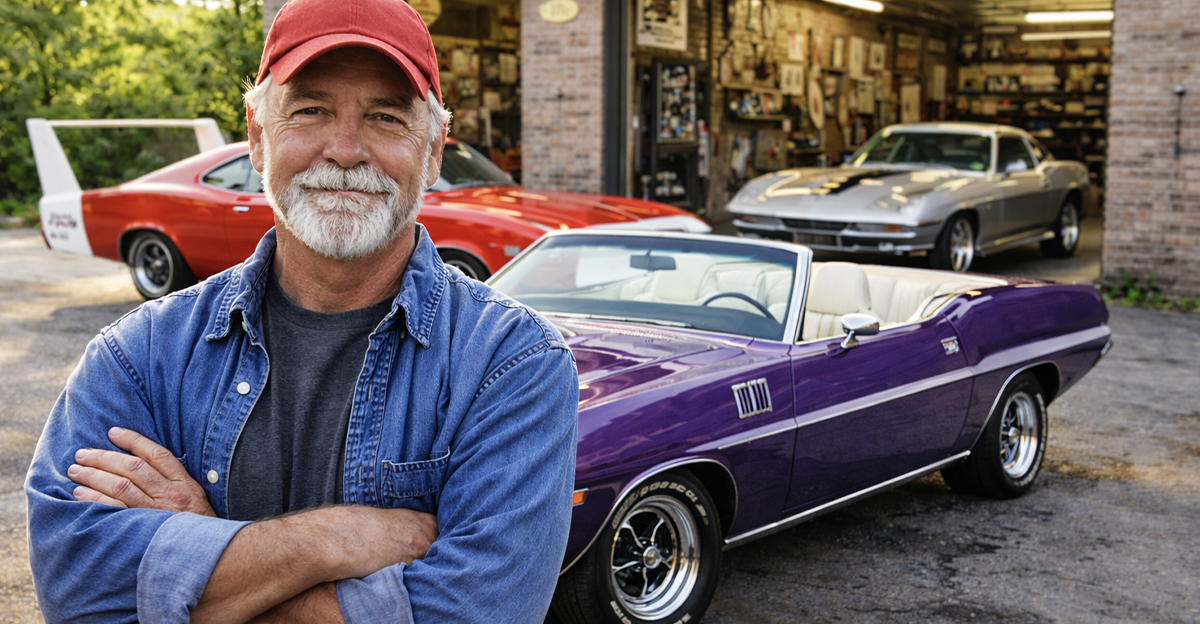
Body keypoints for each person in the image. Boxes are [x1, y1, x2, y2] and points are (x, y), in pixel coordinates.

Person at [24, 0, 579, 621]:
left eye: (386, 117)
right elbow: (80, 595)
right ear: (258, 138)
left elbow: (478, 613)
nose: (344, 150)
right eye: (311, 110)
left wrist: (200, 574)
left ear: (432, 152)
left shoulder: (512, 365)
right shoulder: (138, 355)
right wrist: (327, 542)